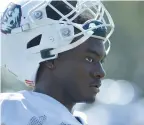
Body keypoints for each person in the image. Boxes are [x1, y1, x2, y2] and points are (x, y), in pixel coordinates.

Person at [0, 0, 114, 125]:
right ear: (50, 59)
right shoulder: (10, 111)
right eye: (89, 59)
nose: (101, 73)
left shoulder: (78, 118)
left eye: (101, 61)